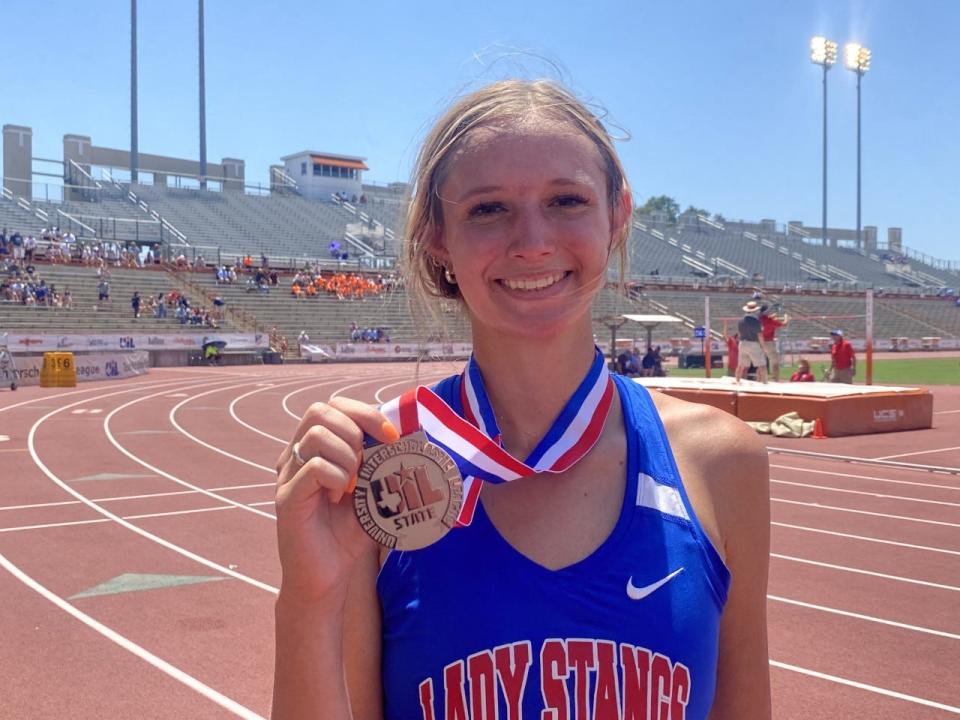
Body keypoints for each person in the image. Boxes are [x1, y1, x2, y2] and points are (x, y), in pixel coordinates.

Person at [271, 80, 771, 720]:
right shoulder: (380, 471)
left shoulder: (718, 461)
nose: (532, 241)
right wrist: (310, 598)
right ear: (437, 238)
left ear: (617, 217)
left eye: (567, 200)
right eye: (487, 209)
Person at [736, 301, 767, 384]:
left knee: (740, 365)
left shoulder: (740, 321)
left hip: (742, 343)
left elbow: (739, 333)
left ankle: (737, 381)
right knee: (761, 364)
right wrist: (763, 346)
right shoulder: (756, 321)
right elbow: (760, 335)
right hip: (753, 343)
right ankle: (764, 383)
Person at [759, 305, 789, 382]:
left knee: (760, 362)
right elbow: (784, 324)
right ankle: (776, 380)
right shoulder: (770, 321)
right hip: (768, 343)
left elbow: (766, 318)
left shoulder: (759, 319)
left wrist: (772, 316)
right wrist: (786, 317)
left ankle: (760, 380)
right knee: (775, 362)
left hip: (759, 342)